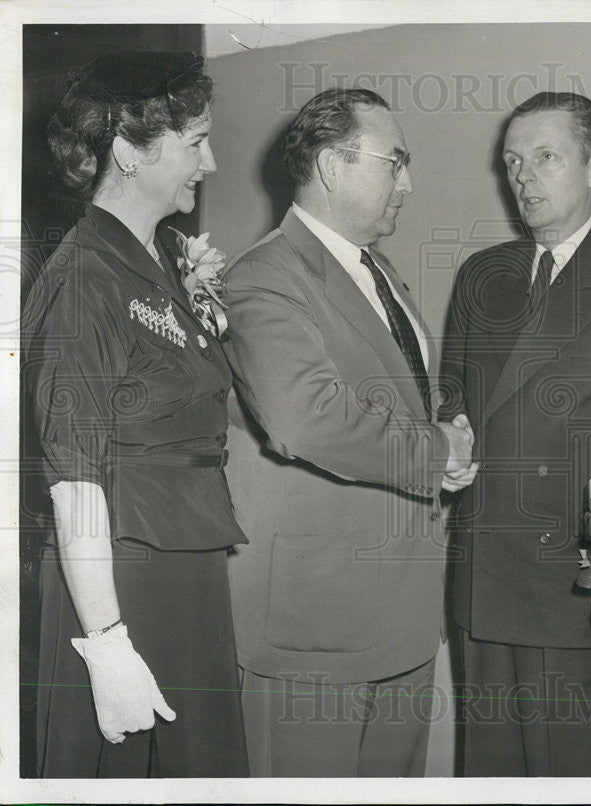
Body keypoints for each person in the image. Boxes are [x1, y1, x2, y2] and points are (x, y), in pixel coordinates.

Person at [221, 87, 477, 777]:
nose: (409, 181)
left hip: (402, 621)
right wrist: (436, 452)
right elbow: (305, 419)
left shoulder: (378, 273)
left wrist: (446, 435)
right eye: (396, 161)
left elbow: (396, 396)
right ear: (334, 166)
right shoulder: (264, 277)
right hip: (317, 631)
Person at [439, 91, 591, 776]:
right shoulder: (480, 276)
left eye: (545, 157)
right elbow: (453, 399)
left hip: (589, 593)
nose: (523, 176)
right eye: (513, 161)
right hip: (484, 582)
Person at [23, 51, 248, 777]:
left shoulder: (155, 257)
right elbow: (74, 479)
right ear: (126, 150)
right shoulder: (87, 275)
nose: (210, 162)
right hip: (123, 573)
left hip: (181, 562)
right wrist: (109, 645)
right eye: (194, 142)